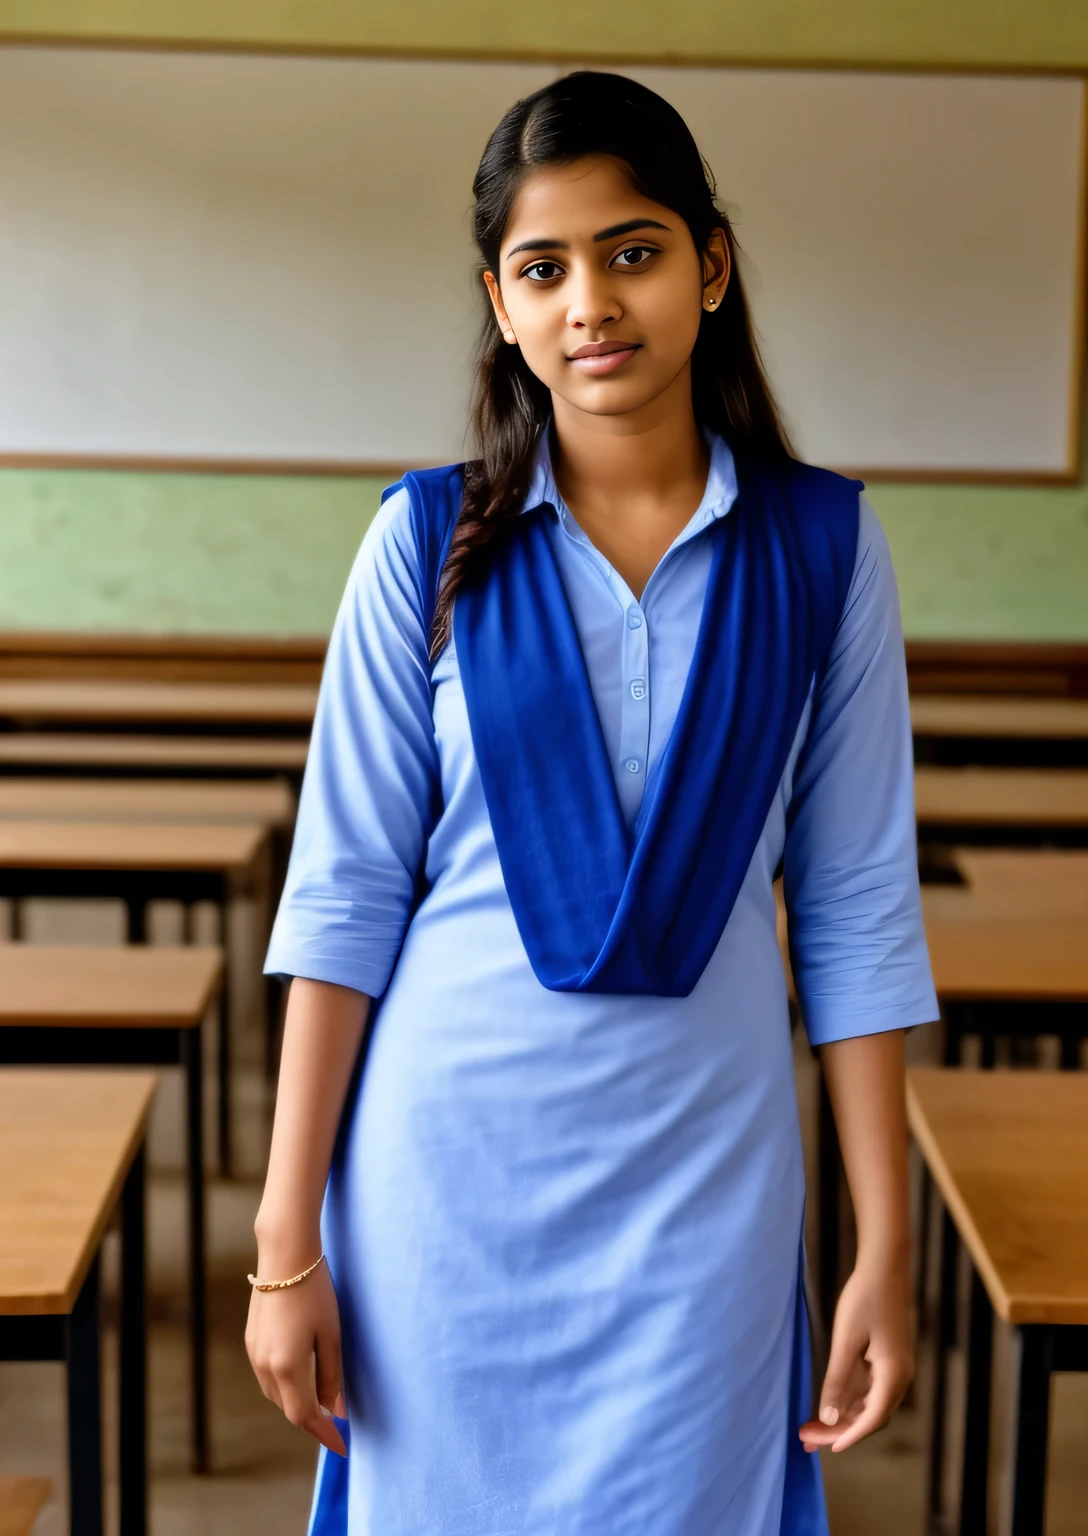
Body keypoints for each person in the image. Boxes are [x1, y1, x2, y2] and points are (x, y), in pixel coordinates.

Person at [246, 70, 938, 1536]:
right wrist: (282, 1240)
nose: (592, 304)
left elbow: (859, 905)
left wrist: (884, 1239)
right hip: (448, 1174)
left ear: (712, 264)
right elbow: (345, 895)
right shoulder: (423, 545)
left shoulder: (824, 550)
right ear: (498, 302)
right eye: (543, 268)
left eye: (634, 251)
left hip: (711, 1181)